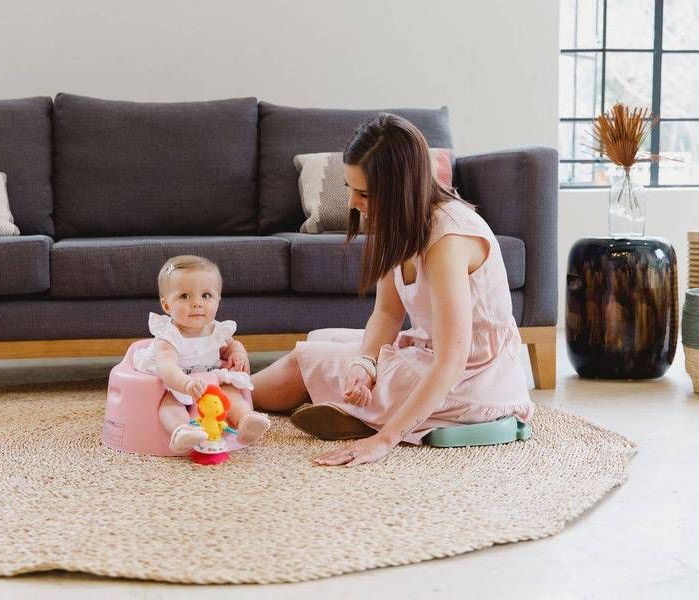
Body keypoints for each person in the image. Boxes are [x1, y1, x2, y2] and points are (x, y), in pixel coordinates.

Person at [250, 114, 534, 467]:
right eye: (350, 188)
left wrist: (384, 441)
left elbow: (452, 359)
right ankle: (364, 408)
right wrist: (365, 363)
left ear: (402, 189)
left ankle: (226, 392)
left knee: (303, 359)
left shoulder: (449, 239)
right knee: (327, 339)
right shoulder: (400, 223)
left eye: (364, 193)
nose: (353, 202)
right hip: (438, 357)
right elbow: (386, 313)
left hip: (472, 383)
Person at [134, 255, 271, 453]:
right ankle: (182, 431)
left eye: (206, 295)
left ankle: (245, 421)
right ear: (166, 305)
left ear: (218, 300)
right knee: (169, 404)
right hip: (179, 384)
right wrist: (185, 384)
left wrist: (239, 354)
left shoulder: (216, 330)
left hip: (212, 383)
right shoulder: (169, 337)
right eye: (184, 296)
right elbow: (167, 367)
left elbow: (232, 346)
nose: (197, 303)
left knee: (231, 393)